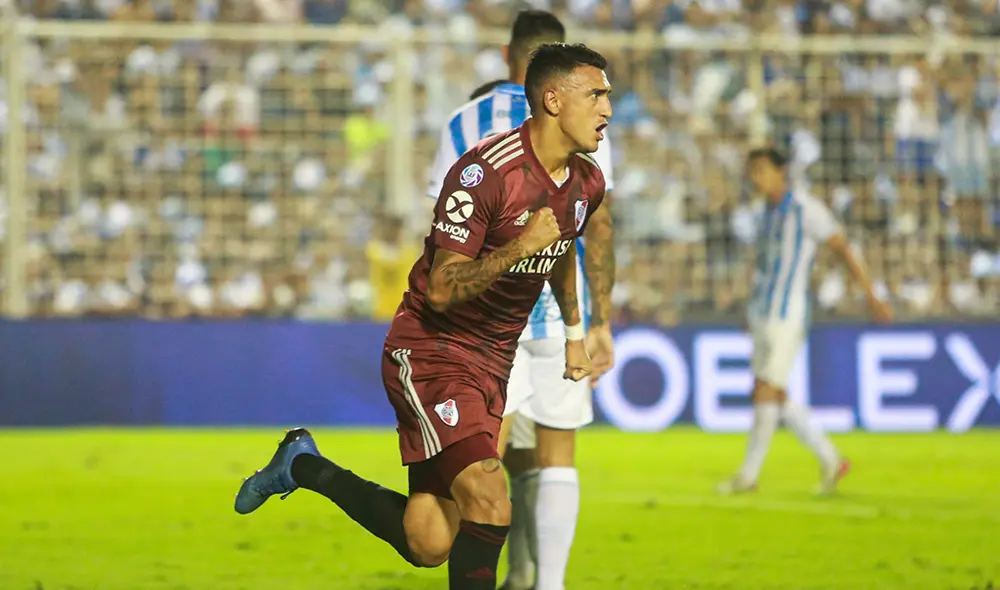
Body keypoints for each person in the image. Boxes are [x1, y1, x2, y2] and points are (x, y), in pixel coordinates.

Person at [234, 42, 613, 590]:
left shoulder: (586, 181)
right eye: (596, 95)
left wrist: (575, 333)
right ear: (553, 100)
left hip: (493, 365)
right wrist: (518, 247)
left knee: (429, 542)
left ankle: (302, 465)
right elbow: (440, 288)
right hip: (433, 352)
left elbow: (559, 251)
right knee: (490, 495)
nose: (607, 109)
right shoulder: (484, 174)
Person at [425, 11, 617, 590]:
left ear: (511, 57)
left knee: (487, 465)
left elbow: (446, 223)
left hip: (486, 323)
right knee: (555, 457)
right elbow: (597, 228)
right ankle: (539, 579)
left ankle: (504, 574)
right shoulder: (586, 123)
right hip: (556, 317)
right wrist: (599, 321)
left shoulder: (466, 120)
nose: (604, 106)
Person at [719, 147, 893, 495]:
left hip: (788, 313)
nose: (756, 178)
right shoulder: (765, 214)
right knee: (771, 393)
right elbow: (763, 267)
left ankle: (749, 476)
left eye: (762, 169)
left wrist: (872, 295)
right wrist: (750, 311)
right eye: (753, 171)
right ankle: (832, 460)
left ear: (781, 171)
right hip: (763, 312)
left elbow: (842, 248)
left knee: (767, 390)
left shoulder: (806, 208)